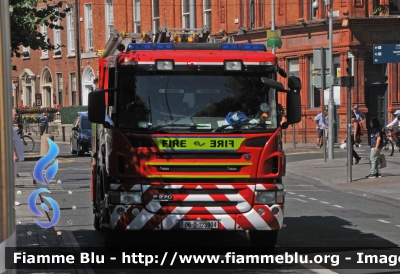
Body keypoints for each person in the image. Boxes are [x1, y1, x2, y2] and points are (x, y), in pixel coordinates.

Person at [13, 108, 24, 206]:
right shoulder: (8, 127)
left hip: (13, 158)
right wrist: (14, 154)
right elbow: (10, 141)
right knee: (11, 179)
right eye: (15, 114)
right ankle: (10, 200)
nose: (17, 116)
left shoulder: (11, 127)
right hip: (12, 159)